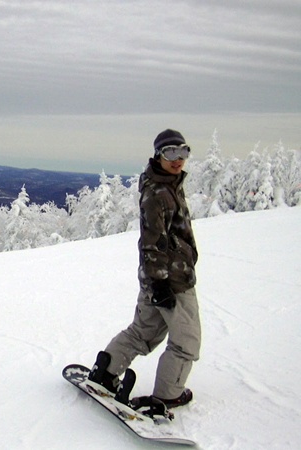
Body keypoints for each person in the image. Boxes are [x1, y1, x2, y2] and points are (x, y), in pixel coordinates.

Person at [88, 129, 200, 408]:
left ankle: (106, 372)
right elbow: (150, 242)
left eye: (183, 152)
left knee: (144, 331)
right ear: (158, 155)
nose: (177, 159)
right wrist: (161, 283)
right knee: (186, 341)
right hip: (171, 280)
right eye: (170, 153)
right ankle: (168, 393)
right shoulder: (158, 193)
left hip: (157, 278)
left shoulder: (168, 185)